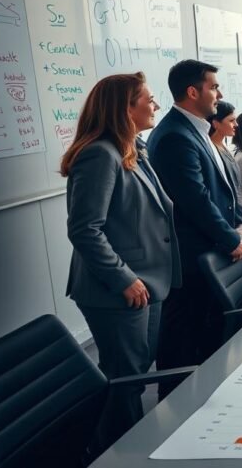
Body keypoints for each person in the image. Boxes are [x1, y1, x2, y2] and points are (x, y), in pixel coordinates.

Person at [61, 72, 180, 452]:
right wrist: (124, 278)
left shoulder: (132, 147)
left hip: (149, 281)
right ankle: (115, 453)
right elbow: (84, 230)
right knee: (124, 379)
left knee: (134, 375)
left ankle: (122, 447)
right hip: (117, 288)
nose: (155, 105)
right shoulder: (99, 154)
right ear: (124, 108)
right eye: (147, 99)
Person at [147, 60, 242, 397]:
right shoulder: (175, 135)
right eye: (213, 87)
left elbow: (219, 190)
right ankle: (173, 412)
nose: (219, 94)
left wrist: (237, 221)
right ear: (193, 91)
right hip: (192, 259)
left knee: (207, 334)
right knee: (182, 342)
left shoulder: (196, 129)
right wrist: (229, 237)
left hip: (208, 252)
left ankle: (204, 399)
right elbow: (195, 199)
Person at [207, 100, 242, 233]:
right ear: (215, 124)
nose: (236, 125)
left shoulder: (223, 145)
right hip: (228, 221)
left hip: (237, 216)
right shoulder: (211, 151)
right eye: (231, 121)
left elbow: (235, 187)